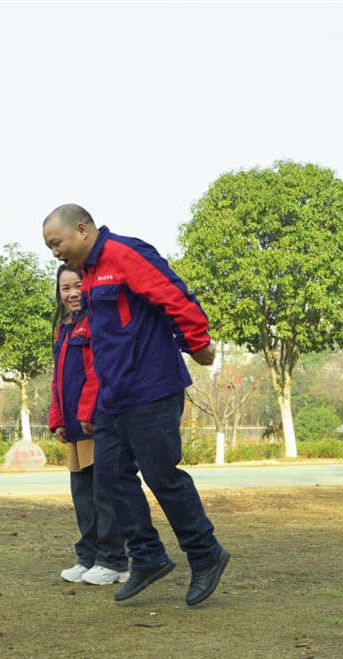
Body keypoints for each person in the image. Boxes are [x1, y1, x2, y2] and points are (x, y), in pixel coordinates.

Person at [41, 204, 230, 607]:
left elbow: (174, 296)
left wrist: (197, 343)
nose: (55, 252)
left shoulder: (125, 254)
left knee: (162, 476)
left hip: (151, 386)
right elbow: (99, 345)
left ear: (82, 230)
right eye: (49, 247)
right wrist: (90, 404)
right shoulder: (89, 276)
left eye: (57, 243)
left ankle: (206, 554)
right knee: (109, 476)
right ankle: (147, 556)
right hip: (113, 395)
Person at [50, 265, 130, 586]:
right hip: (74, 428)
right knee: (83, 496)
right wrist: (58, 420)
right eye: (65, 288)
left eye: (77, 286)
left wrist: (88, 414)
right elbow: (58, 379)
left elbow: (99, 371)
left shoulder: (99, 321)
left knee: (105, 494)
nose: (72, 294)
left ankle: (113, 561)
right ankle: (89, 558)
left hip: (96, 423)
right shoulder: (64, 328)